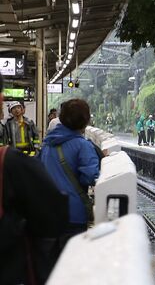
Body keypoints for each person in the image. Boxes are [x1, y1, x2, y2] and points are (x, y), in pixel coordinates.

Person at [0, 74, 68, 285]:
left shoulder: (28, 125)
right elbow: (51, 214)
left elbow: (34, 139)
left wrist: (34, 150)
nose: (16, 111)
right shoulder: (8, 164)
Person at [40, 98, 100, 251]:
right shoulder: (83, 146)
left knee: (50, 266)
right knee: (70, 265)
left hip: (47, 212)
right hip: (73, 214)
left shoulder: (47, 144)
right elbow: (89, 176)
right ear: (85, 120)